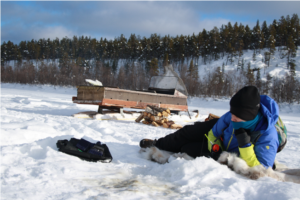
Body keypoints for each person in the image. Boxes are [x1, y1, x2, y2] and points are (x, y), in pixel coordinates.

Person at [140, 86, 285, 169]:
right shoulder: (231, 116)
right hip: (220, 142)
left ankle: (177, 149)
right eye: (232, 113)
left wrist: (245, 145)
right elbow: (213, 133)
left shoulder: (267, 135)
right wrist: (215, 146)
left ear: (249, 116)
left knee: (188, 148)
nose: (231, 118)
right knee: (188, 132)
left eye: (237, 116)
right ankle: (158, 143)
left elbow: (262, 169)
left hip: (230, 153)